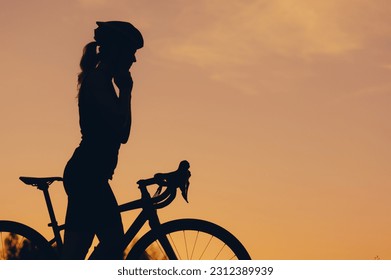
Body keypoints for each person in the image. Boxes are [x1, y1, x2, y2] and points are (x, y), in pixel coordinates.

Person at [62, 21, 143, 259]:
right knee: (114, 243)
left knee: (76, 256)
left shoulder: (106, 83)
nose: (134, 61)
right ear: (117, 51)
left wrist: (126, 91)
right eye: (131, 53)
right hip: (87, 175)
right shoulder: (97, 81)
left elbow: (123, 134)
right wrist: (126, 91)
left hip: (90, 175)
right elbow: (121, 126)